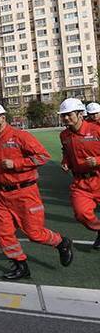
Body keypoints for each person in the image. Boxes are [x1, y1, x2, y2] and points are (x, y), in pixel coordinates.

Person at [0, 103, 73, 280]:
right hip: (2, 196)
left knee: (34, 233)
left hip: (25, 193)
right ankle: (21, 266)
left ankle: (62, 242)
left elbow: (43, 156)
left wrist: (16, 164)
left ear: (2, 118)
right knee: (3, 234)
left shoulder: (20, 136)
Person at [59, 98, 100, 249]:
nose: (65, 118)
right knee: (81, 214)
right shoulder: (64, 136)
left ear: (80, 114)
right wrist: (66, 162)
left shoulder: (97, 130)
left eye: (69, 114)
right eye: (63, 115)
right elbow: (67, 152)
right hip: (81, 183)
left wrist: (97, 160)